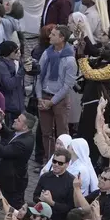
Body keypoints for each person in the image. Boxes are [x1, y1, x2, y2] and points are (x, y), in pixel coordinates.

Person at [36, 25, 76, 161]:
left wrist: (52, 102)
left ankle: (64, 161)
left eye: (53, 35)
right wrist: (40, 97)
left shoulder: (70, 60)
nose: (49, 37)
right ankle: (48, 161)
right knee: (46, 133)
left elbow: (67, 85)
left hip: (60, 100)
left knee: (62, 133)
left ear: (62, 38)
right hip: (44, 95)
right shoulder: (47, 53)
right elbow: (39, 75)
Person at [0, 113, 36, 208]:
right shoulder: (22, 134)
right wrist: (2, 123)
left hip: (13, 182)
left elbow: (1, 151)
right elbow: (10, 134)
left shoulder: (23, 143)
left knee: (15, 207)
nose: (15, 120)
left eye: (18, 120)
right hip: (7, 176)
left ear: (25, 127)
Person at [33, 148, 75, 220]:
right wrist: (41, 200)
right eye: (54, 161)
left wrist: (52, 203)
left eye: (60, 163)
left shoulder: (71, 182)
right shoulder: (45, 177)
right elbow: (35, 195)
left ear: (67, 164)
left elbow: (70, 207)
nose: (56, 164)